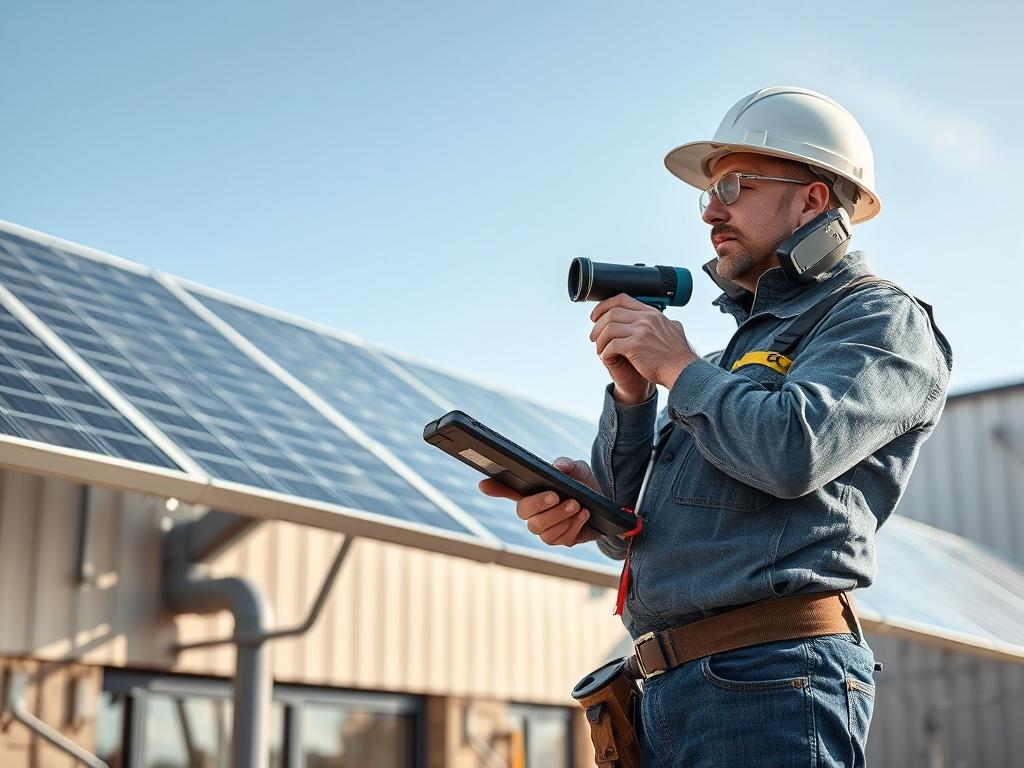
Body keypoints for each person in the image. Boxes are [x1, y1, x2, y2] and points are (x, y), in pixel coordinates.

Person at [480, 86, 953, 767]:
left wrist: (675, 365)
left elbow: (794, 450)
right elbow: (633, 533)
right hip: (669, 690)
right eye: (708, 191)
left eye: (734, 184)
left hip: (774, 680)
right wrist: (627, 408)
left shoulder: (879, 319)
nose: (710, 209)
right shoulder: (728, 358)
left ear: (813, 200)